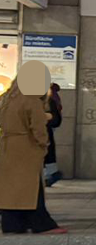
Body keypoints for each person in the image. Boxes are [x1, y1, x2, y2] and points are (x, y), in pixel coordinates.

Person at [0, 62, 65, 234]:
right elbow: (38, 129)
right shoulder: (31, 100)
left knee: (11, 187)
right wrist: (44, 145)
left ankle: (12, 223)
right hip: (27, 147)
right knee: (31, 187)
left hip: (8, 146)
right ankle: (40, 222)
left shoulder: (6, 99)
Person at [43, 83, 62, 186]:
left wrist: (48, 117)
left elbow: (56, 120)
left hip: (45, 136)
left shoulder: (49, 101)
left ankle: (50, 175)